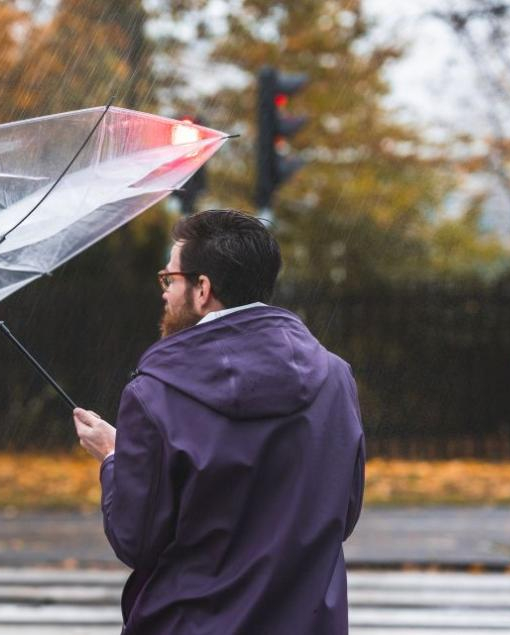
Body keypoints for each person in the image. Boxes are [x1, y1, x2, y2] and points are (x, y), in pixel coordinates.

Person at [73, 209, 365, 635]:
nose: (165, 293)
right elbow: (343, 513)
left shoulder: (156, 395)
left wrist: (115, 458)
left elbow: (135, 539)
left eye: (169, 279)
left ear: (203, 288)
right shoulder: (336, 379)